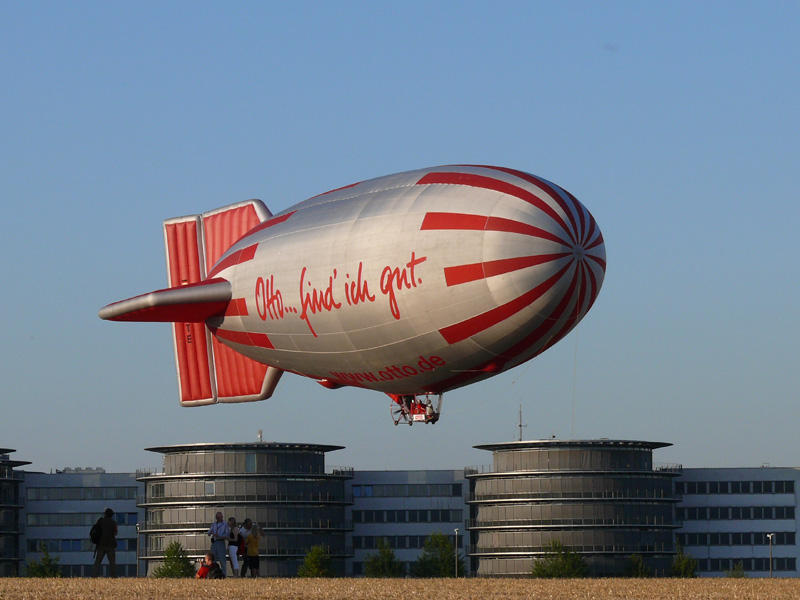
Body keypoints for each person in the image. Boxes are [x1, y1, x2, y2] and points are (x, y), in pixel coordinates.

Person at [92, 507, 118, 577]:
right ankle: (113, 576)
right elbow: (116, 533)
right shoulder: (113, 523)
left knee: (98, 561)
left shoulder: (100, 521)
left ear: (105, 514)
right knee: (112, 563)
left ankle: (94, 576)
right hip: (110, 545)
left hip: (101, 544)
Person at [207, 511, 230, 576]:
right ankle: (212, 574)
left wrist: (219, 535)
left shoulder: (225, 524)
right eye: (217, 518)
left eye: (219, 518)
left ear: (222, 517)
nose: (218, 519)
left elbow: (227, 534)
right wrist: (212, 533)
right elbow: (208, 532)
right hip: (214, 542)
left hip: (221, 542)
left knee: (222, 559)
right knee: (213, 559)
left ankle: (224, 575)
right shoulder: (214, 524)